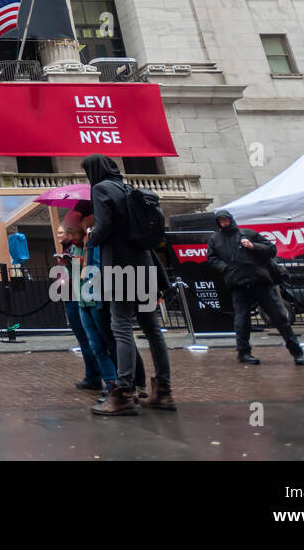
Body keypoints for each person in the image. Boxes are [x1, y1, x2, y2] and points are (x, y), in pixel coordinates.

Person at [83, 155, 174, 416]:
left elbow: (105, 227)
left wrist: (91, 236)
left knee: (121, 325)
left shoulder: (101, 189)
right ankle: (164, 391)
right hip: (145, 265)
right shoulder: (129, 188)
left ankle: (122, 392)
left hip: (120, 266)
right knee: (152, 329)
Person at [208, 210, 304, 366]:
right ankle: (244, 352)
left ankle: (296, 352)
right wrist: (225, 268)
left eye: (225, 219)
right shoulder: (215, 239)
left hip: (259, 281)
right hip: (238, 283)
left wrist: (253, 246)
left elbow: (271, 249)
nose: (223, 222)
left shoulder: (248, 233)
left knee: (279, 317)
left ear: (230, 219)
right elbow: (212, 258)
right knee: (242, 320)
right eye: (220, 220)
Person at [66, 208, 121, 401]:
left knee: (108, 341)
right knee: (95, 344)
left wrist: (84, 264)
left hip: (97, 297)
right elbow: (75, 276)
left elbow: (98, 268)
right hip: (83, 300)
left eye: (73, 229)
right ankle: (110, 381)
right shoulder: (76, 247)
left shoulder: (95, 242)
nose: (71, 233)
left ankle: (120, 382)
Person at [56, 215, 104, 392]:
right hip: (75, 294)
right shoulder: (72, 247)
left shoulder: (82, 245)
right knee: (87, 339)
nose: (60, 235)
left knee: (89, 339)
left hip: (81, 295)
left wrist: (70, 265)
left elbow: (82, 272)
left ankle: (97, 377)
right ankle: (93, 375)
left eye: (64, 232)